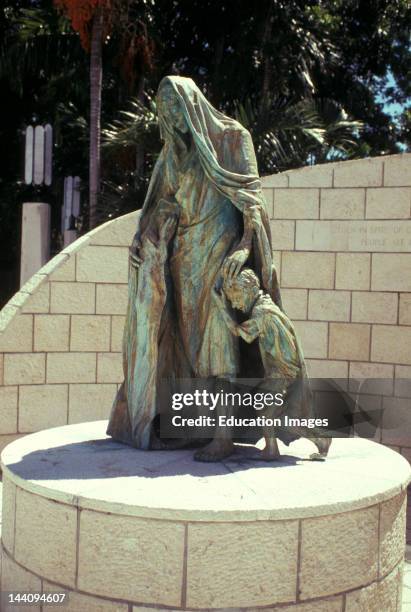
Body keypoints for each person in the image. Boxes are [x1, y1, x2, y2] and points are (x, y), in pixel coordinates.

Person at [107, 76, 281, 461]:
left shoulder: (234, 138)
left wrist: (244, 247)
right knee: (192, 348)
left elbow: (252, 201)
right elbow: (164, 204)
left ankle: (223, 435)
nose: (170, 112)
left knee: (220, 341)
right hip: (183, 260)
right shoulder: (171, 156)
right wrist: (145, 238)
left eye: (175, 102)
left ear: (192, 100)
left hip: (222, 254)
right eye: (163, 107)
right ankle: (197, 425)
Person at [213, 268, 332, 460]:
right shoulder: (266, 306)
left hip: (282, 370)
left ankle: (272, 449)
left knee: (265, 406)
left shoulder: (262, 312)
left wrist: (220, 306)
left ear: (248, 290)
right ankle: (319, 439)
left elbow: (238, 331)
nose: (235, 304)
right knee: (283, 414)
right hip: (280, 369)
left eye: (235, 298)